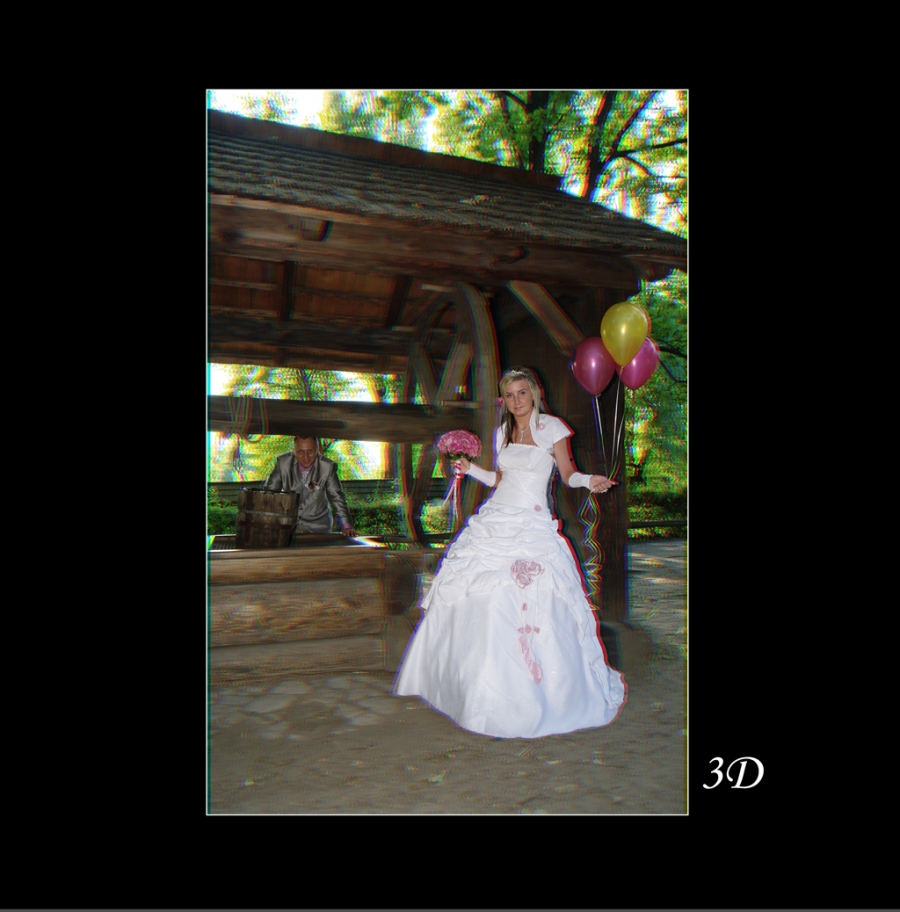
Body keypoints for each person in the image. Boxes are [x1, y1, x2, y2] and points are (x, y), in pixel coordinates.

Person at [394, 367, 626, 739]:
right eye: (510, 395)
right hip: (496, 518)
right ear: (504, 400)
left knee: (528, 598)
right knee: (480, 595)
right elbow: (501, 480)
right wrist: (471, 469)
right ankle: (465, 687)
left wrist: (589, 480)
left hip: (530, 523)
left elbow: (567, 473)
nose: (517, 400)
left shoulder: (552, 428)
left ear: (534, 392)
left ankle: (537, 691)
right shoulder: (502, 432)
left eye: (522, 392)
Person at [263, 434, 357, 538]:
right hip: (289, 527)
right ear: (294, 451)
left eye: (310, 451)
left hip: (320, 528)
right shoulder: (282, 463)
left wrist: (346, 526)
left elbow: (336, 497)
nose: (306, 457)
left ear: (317, 450)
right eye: (301, 452)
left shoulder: (327, 467)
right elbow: (269, 495)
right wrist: (266, 524)